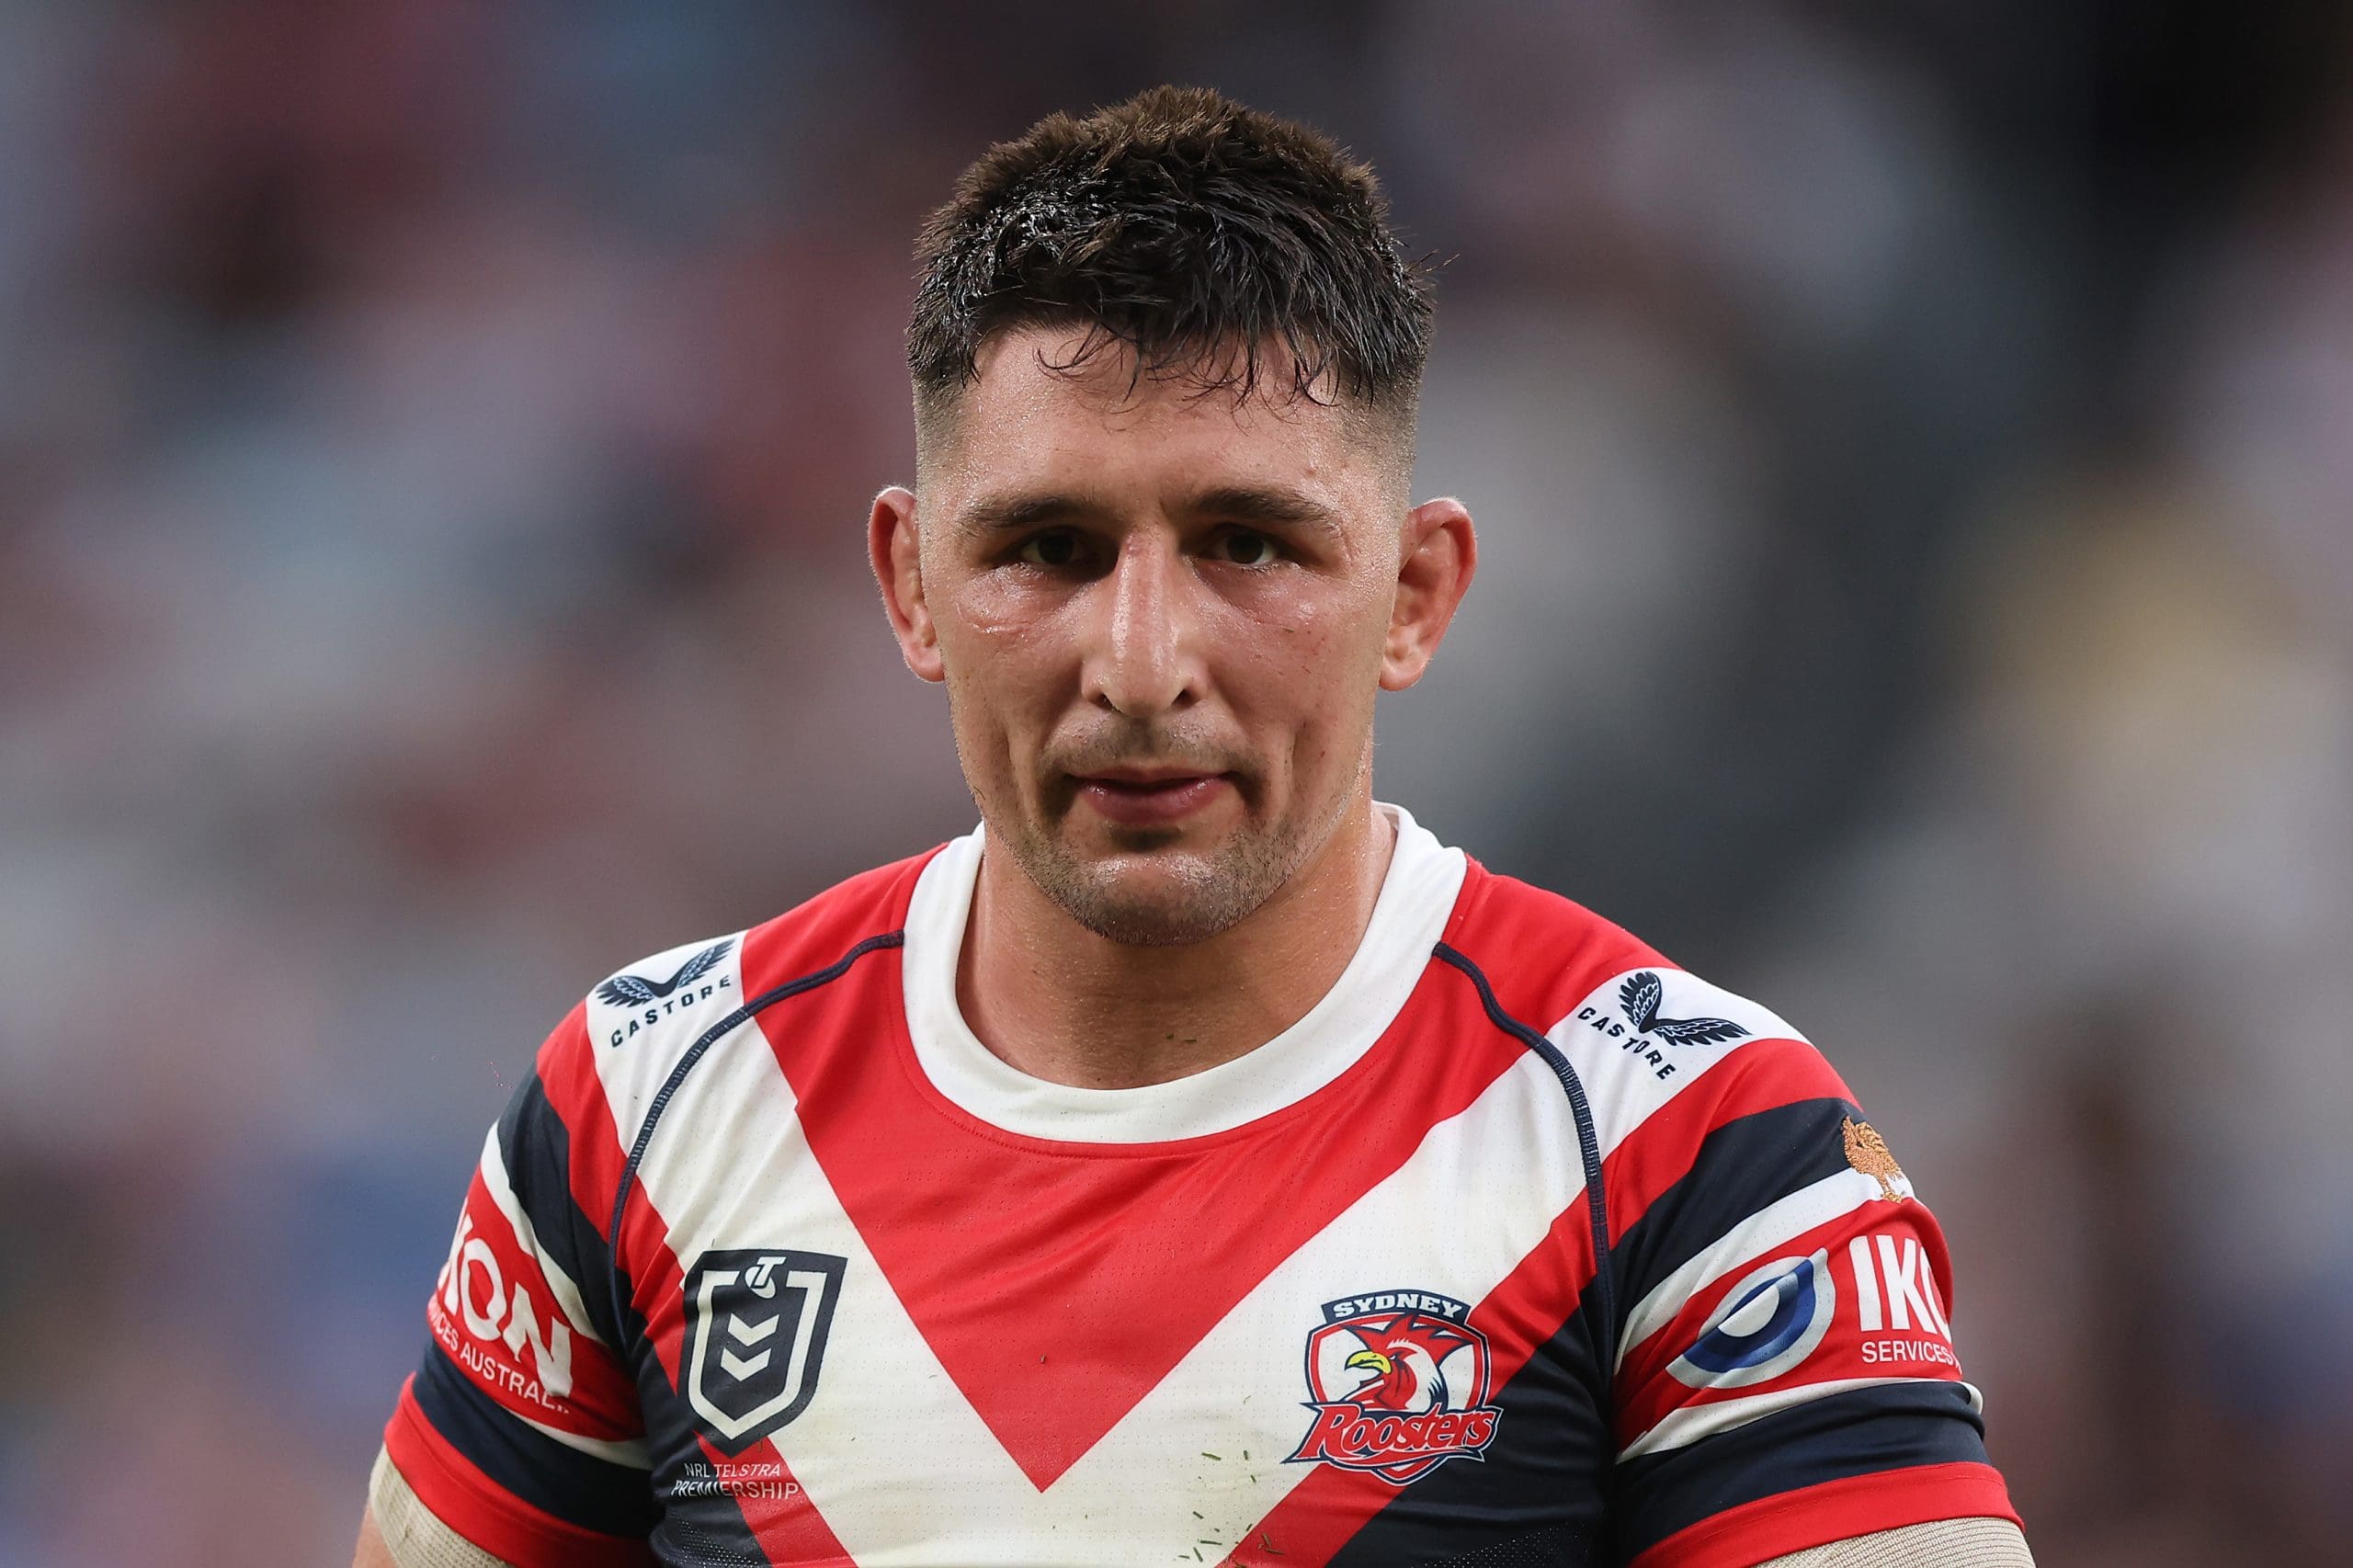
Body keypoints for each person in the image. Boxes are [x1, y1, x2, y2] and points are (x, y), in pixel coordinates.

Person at [354, 86, 2029, 1568]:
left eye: (1249, 544)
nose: (1143, 663)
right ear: (911, 584)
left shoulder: (1692, 1143)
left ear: (1416, 592)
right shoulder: (643, 1104)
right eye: (1049, 548)